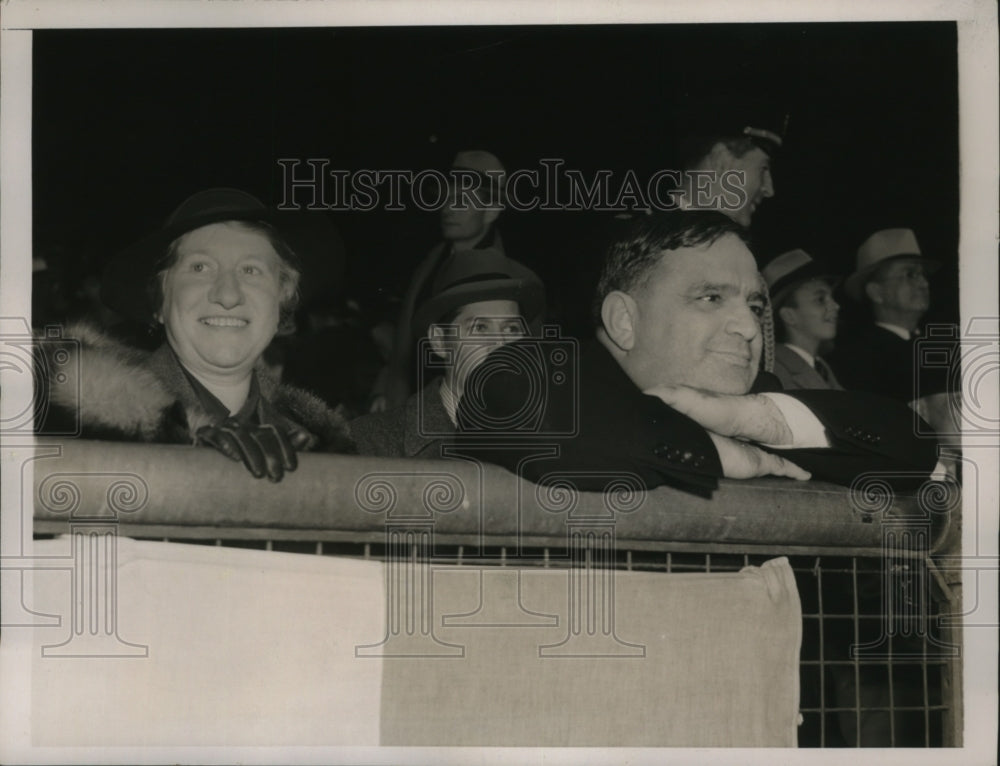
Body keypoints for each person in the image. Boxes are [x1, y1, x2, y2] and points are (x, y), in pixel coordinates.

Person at [455, 211, 940, 496]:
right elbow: (518, 405)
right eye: (710, 298)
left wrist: (750, 420)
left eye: (754, 304)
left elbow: (911, 444)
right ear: (624, 320)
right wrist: (715, 451)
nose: (750, 326)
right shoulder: (537, 375)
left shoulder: (745, 401)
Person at [39, 188, 354, 481]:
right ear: (159, 302)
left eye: (251, 270)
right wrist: (182, 452)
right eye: (200, 268)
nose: (228, 295)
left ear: (282, 302)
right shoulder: (68, 420)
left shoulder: (327, 449)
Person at [350, 247, 544, 458]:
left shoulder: (545, 442)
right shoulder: (369, 441)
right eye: (480, 328)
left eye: (512, 329)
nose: (500, 345)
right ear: (439, 341)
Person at [375, 150, 507, 411]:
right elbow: (406, 345)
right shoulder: (433, 260)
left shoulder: (499, 280)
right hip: (410, 410)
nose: (447, 209)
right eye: (445, 198)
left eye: (461, 201)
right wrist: (384, 390)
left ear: (491, 211)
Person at [830, 228, 944, 403]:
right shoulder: (858, 359)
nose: (923, 283)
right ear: (876, 292)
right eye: (910, 274)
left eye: (923, 275)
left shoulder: (945, 344)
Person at [669, 99, 785, 228]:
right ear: (722, 160)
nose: (770, 190)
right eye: (764, 168)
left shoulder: (661, 231)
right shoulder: (651, 239)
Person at [762, 248, 844, 390]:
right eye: (820, 299)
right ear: (789, 316)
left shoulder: (824, 369)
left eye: (832, 298)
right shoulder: (775, 373)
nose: (835, 306)